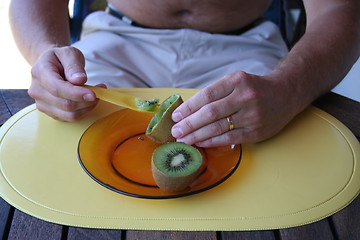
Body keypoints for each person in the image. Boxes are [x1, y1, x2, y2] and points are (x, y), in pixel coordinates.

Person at [9, 0, 360, 147]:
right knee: (71, 142)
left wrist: (289, 88)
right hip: (118, 42)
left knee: (272, 161)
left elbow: (340, 8)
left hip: (246, 48)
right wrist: (45, 54)